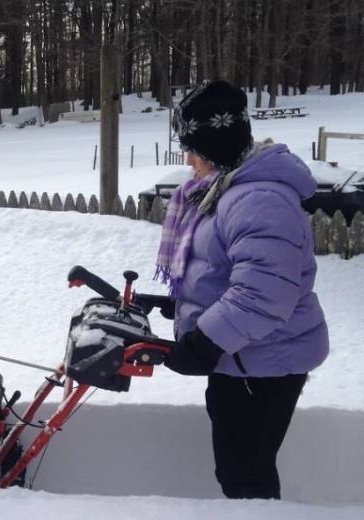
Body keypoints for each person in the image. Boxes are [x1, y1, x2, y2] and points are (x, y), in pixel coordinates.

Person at [155, 80, 329, 499]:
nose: (188, 159)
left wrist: (205, 340)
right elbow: (223, 269)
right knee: (239, 470)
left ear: (215, 143)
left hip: (263, 363)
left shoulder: (259, 199)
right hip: (245, 357)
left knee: (245, 476)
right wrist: (181, 305)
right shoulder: (230, 189)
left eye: (193, 147)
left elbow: (263, 292)